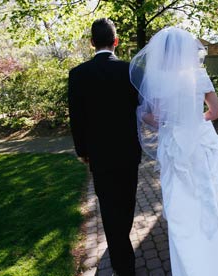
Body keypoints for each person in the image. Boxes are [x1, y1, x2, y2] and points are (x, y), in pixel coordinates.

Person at [129, 26, 218, 276]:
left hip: (174, 145)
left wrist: (167, 121)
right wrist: (195, 120)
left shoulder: (159, 80)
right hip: (202, 143)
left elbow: (156, 118)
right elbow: (216, 112)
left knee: (182, 205)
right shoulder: (199, 76)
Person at [67, 18, 141, 276]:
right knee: (127, 202)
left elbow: (76, 118)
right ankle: (123, 254)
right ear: (116, 41)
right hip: (129, 152)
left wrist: (82, 151)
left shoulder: (77, 74)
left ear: (91, 43)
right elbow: (140, 110)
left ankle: (121, 259)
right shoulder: (130, 71)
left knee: (109, 207)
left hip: (99, 155)